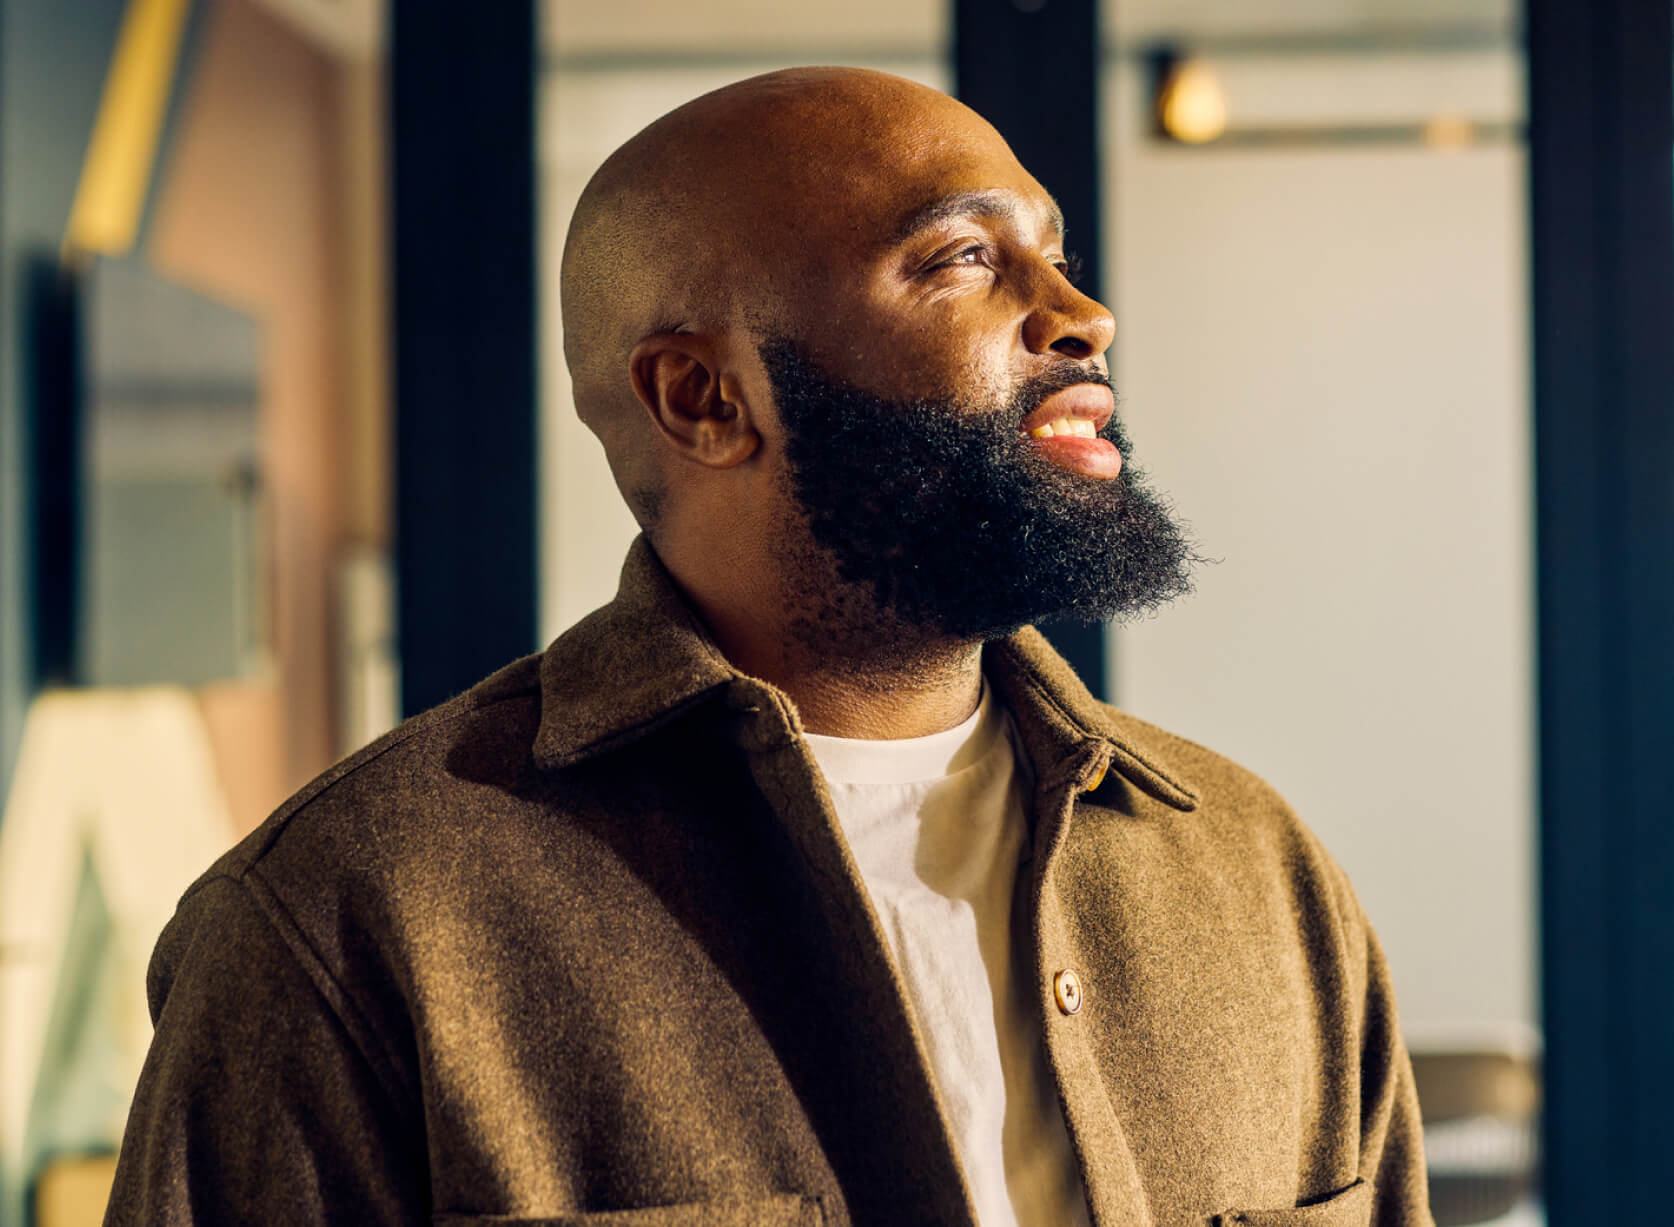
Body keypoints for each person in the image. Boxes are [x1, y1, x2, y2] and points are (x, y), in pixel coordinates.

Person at [105, 68, 1431, 1226]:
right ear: (704, 396)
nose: (1080, 313)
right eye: (960, 257)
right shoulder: (351, 920)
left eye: (1054, 251)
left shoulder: (1255, 872)